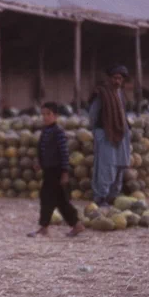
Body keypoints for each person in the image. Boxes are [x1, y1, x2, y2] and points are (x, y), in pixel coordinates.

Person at [27, 102, 84, 238]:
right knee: (56, 200)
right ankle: (74, 225)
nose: (45, 117)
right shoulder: (45, 131)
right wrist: (39, 162)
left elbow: (64, 153)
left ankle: (46, 227)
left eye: (48, 114)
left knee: (51, 199)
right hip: (48, 170)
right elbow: (42, 149)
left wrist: (64, 172)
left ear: (56, 116)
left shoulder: (58, 132)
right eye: (43, 114)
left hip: (57, 171)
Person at [89, 65, 131, 206]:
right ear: (109, 78)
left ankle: (113, 196)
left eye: (120, 78)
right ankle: (101, 197)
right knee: (106, 167)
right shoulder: (101, 93)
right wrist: (96, 133)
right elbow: (93, 115)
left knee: (120, 166)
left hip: (121, 134)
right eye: (115, 78)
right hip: (105, 133)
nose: (117, 81)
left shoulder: (120, 93)